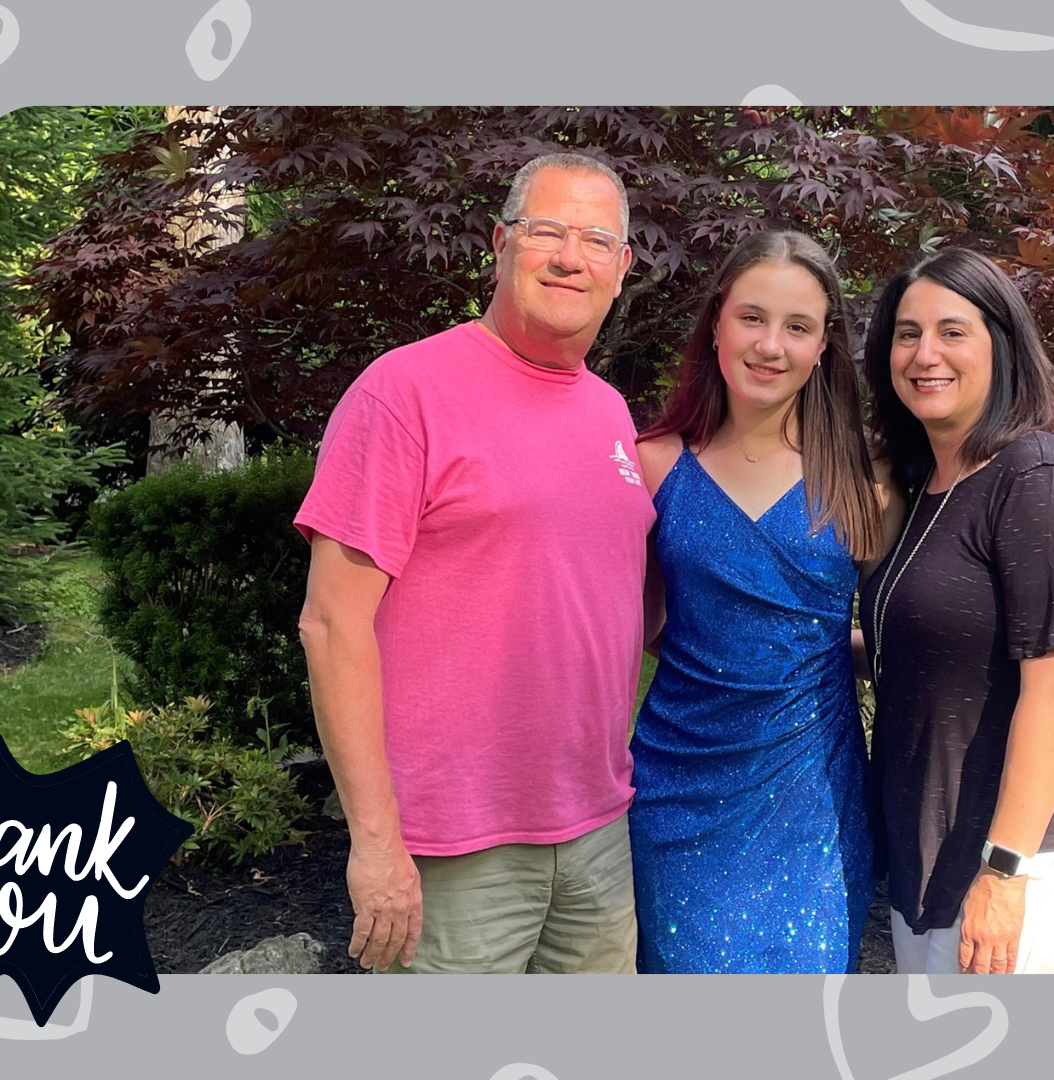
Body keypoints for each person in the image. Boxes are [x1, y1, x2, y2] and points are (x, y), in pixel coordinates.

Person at [293, 153, 654, 974]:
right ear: (500, 242)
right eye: (546, 231)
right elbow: (331, 624)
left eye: (597, 240)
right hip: (450, 848)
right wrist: (375, 844)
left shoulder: (609, 412)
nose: (570, 258)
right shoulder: (404, 392)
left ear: (622, 266)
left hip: (597, 832)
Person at [628, 229, 895, 973]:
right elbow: (638, 624)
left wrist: (1029, 670)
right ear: (717, 321)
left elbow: (911, 623)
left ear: (823, 344)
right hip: (677, 789)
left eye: (797, 326)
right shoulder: (653, 463)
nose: (770, 345)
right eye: (752, 317)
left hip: (813, 797)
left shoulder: (867, 475)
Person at [857, 247, 1054, 975]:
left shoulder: (1036, 476)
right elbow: (923, 648)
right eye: (907, 334)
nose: (925, 354)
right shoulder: (927, 484)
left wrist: (1006, 873)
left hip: (1018, 854)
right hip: (932, 842)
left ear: (1002, 344)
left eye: (953, 331)